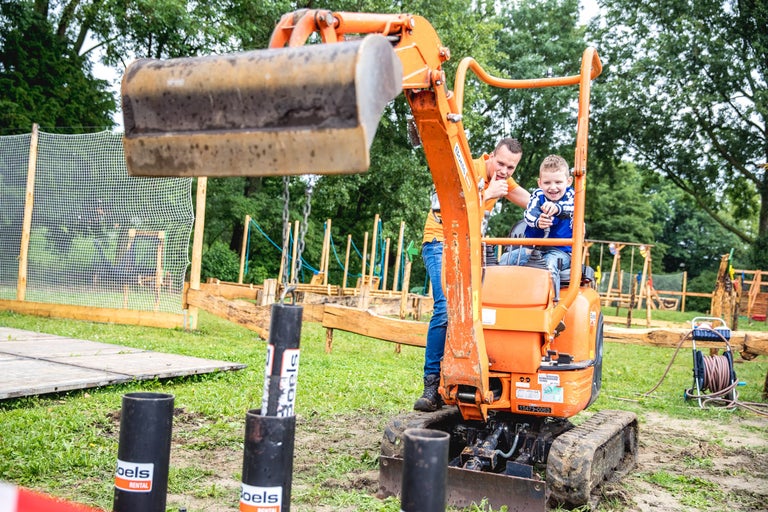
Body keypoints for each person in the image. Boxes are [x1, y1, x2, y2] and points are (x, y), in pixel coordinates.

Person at [415, 138, 530, 412]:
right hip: (440, 243)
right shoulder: (467, 168)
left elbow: (528, 200)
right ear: (491, 156)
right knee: (446, 307)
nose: (504, 171)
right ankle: (431, 386)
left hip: (469, 247)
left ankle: (464, 376)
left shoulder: (503, 180)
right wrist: (488, 194)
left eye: (511, 168)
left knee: (477, 310)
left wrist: (560, 209)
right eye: (500, 163)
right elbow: (443, 208)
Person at [501, 154, 574, 303]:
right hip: (535, 248)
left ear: (568, 181)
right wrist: (538, 221)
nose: (553, 187)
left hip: (561, 251)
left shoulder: (571, 196)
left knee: (548, 266)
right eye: (547, 182)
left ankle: (552, 305)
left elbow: (572, 208)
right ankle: (503, 300)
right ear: (540, 183)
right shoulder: (538, 195)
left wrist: (557, 208)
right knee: (506, 259)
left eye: (558, 182)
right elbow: (529, 214)